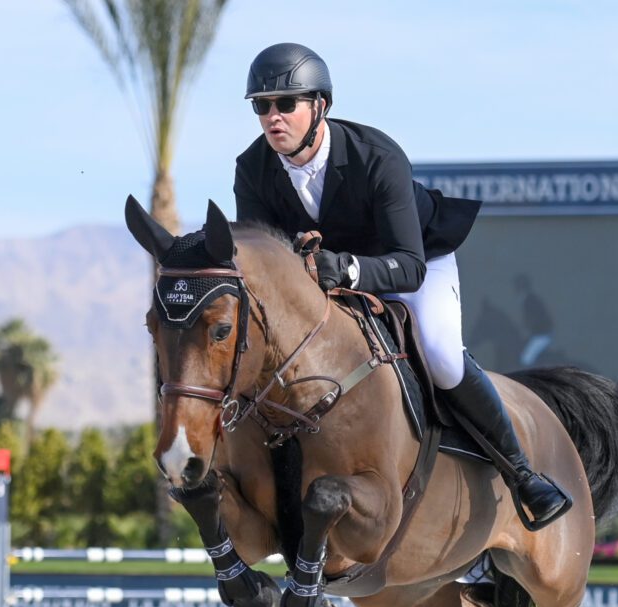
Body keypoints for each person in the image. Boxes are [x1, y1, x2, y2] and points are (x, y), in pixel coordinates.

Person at [233, 43, 570, 530]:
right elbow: (265, 265)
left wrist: (346, 270)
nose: (271, 116)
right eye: (261, 106)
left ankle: (521, 475)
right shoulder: (252, 168)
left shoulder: (377, 156)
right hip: (324, 276)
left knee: (440, 355)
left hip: (411, 263)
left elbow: (408, 266)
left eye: (286, 103)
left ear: (320, 106)